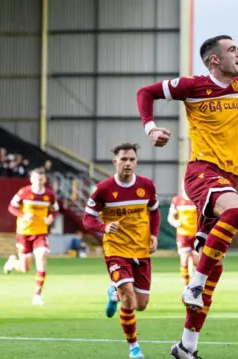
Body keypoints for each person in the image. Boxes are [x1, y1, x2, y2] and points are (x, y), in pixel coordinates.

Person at [136, 33, 238, 358]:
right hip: (202, 172)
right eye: (232, 50)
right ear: (214, 59)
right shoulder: (193, 86)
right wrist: (150, 128)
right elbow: (146, 92)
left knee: (215, 268)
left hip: (228, 178)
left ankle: (187, 345)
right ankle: (194, 283)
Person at [82, 143, 160, 359]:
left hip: (141, 250)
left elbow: (154, 213)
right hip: (115, 249)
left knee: (140, 305)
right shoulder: (103, 189)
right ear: (114, 162)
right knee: (128, 297)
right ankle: (134, 346)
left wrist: (153, 235)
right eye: (123, 159)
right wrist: (103, 227)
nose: (128, 163)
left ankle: (113, 293)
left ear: (136, 162)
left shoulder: (147, 186)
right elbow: (87, 219)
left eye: (132, 159)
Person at [4, 167, 59, 306]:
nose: (39, 181)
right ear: (31, 179)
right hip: (24, 233)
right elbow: (11, 207)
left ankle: (37, 296)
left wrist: (51, 217)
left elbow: (55, 210)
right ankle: (12, 262)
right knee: (24, 269)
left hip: (41, 233)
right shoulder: (24, 192)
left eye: (41, 178)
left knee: (41, 258)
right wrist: (23, 215)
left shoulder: (49, 195)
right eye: (36, 178)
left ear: (45, 179)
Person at [168, 191, 200, 286]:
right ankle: (186, 285)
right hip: (183, 234)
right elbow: (170, 217)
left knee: (196, 261)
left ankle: (195, 282)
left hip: (196, 234)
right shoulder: (177, 200)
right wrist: (175, 222)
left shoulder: (198, 198)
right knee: (184, 258)